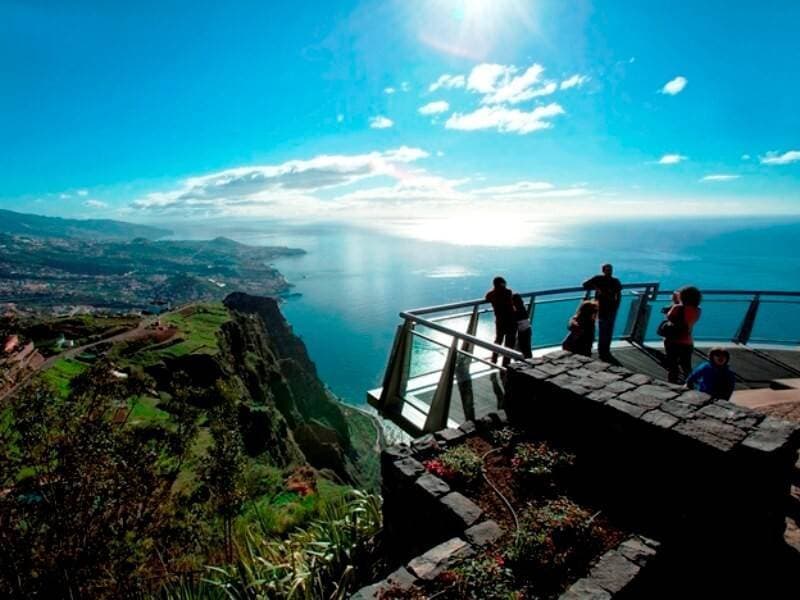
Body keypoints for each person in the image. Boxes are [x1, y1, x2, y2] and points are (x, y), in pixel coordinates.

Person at [582, 264, 622, 361]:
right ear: (603, 270)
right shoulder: (599, 279)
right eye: (607, 270)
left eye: (610, 269)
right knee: (603, 330)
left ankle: (605, 350)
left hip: (611, 309)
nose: (609, 271)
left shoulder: (614, 281)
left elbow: (619, 295)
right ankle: (602, 351)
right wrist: (596, 287)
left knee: (608, 330)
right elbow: (585, 284)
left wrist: (616, 307)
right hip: (602, 309)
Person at [663, 286, 702, 383]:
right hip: (687, 342)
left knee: (672, 365)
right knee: (686, 366)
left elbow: (669, 317)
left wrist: (675, 302)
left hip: (673, 341)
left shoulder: (677, 307)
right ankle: (689, 384)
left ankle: (672, 384)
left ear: (682, 296)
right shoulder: (698, 310)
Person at [485, 276, 516, 365]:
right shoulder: (508, 292)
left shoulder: (491, 294)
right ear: (502, 283)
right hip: (510, 320)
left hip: (500, 321)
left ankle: (494, 360)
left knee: (498, 340)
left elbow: (487, 297)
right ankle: (506, 364)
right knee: (509, 343)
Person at [512, 293, 532, 359]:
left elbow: (515, 320)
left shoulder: (516, 311)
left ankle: (523, 362)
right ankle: (529, 361)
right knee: (527, 348)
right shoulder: (523, 308)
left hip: (523, 331)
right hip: (527, 329)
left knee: (522, 347)